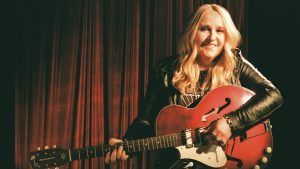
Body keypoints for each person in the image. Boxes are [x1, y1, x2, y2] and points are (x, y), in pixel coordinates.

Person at [104, 3, 283, 169]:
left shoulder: (235, 63)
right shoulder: (165, 69)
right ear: (192, 32)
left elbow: (273, 94)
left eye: (220, 31)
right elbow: (146, 120)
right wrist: (129, 143)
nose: (212, 37)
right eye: (204, 29)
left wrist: (230, 123)